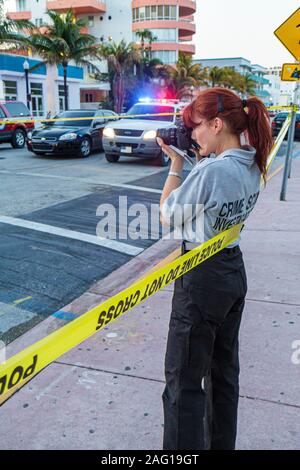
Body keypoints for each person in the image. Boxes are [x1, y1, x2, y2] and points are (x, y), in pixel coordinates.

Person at [157, 87, 273, 450]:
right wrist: (198, 163)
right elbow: (215, 193)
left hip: (202, 279)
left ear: (217, 123)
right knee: (224, 375)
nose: (192, 135)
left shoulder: (210, 171)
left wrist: (177, 166)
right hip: (232, 271)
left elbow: (168, 216)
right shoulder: (252, 160)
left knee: (184, 382)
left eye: (197, 127)